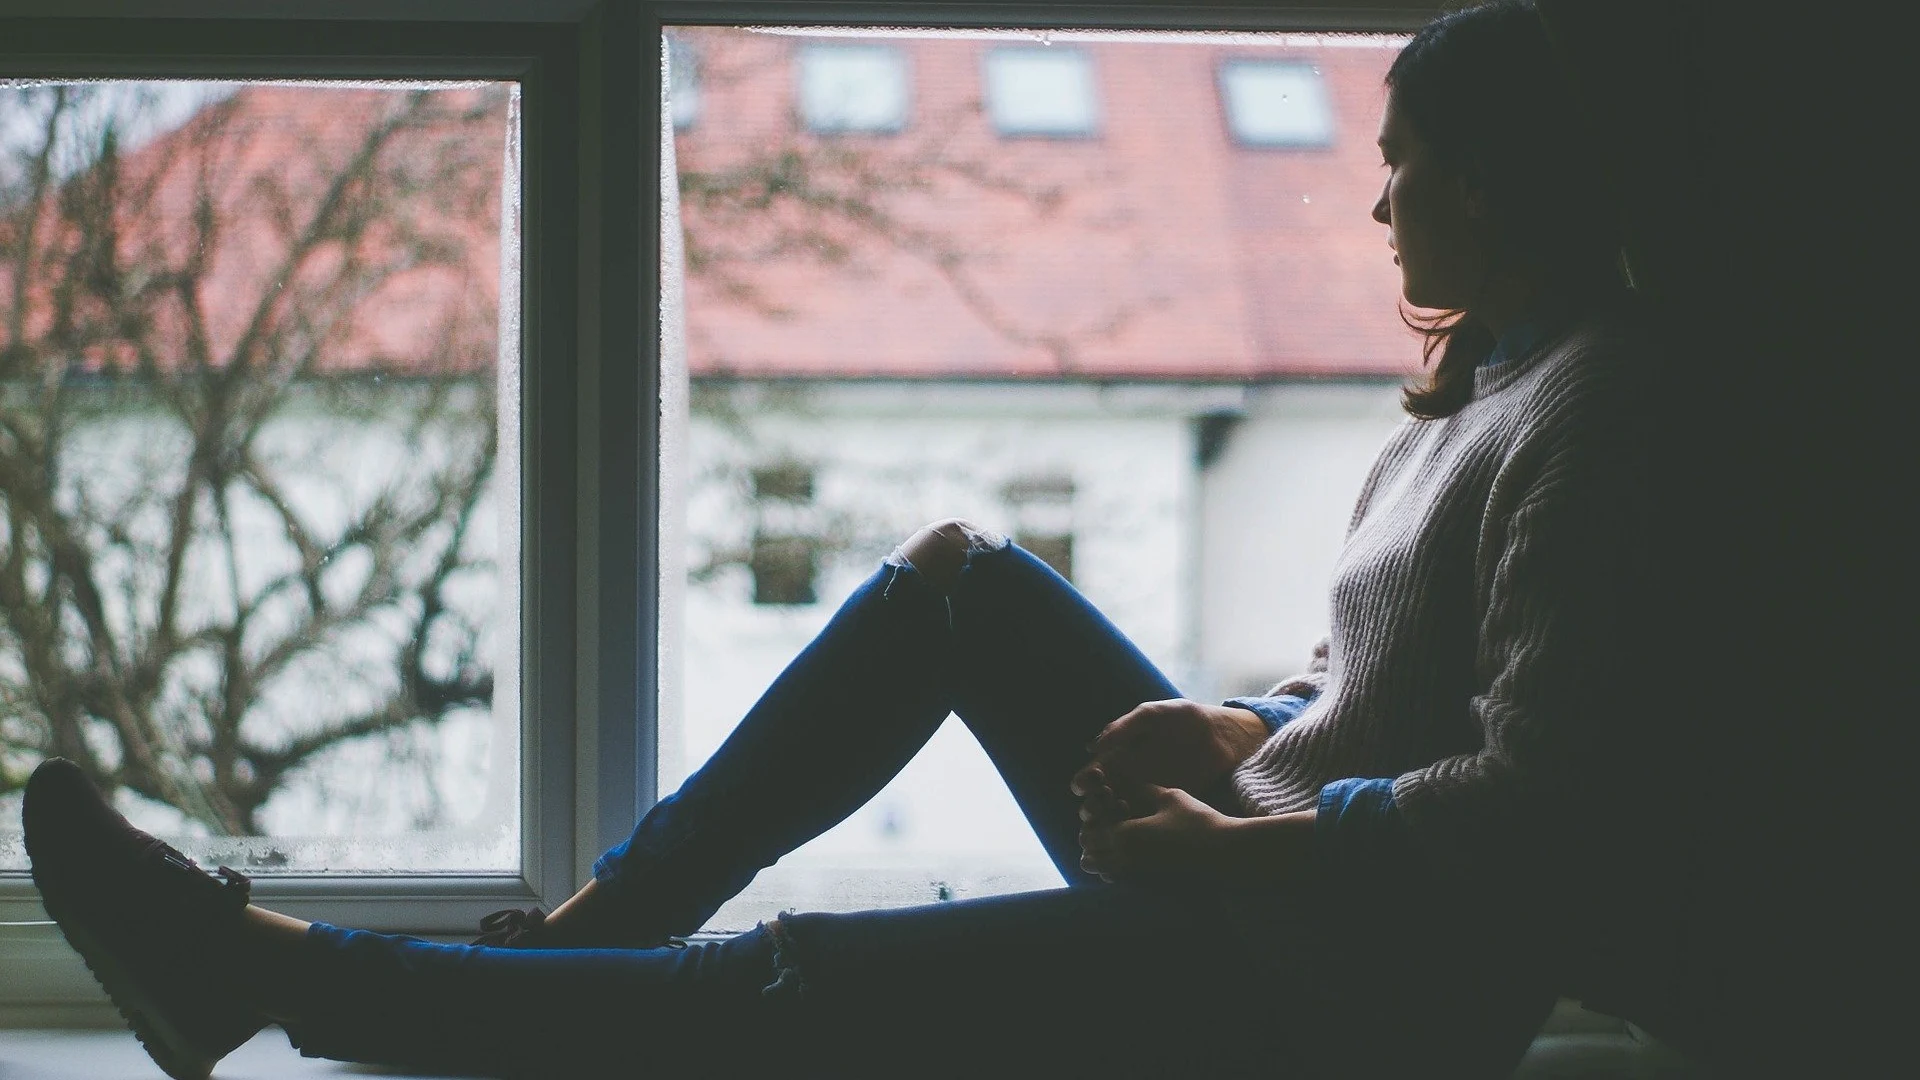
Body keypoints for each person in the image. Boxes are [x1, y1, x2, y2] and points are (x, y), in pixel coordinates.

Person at [21, 2, 1659, 1076]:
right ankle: (595, 933)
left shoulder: (1596, 415)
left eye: (1406, 169)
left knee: (801, 982)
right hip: (1281, 878)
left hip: (1356, 999)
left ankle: (273, 971)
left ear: (1500, 185)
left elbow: (1546, 806)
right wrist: (1239, 725)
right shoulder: (1486, 380)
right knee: (962, 581)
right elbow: (1373, 675)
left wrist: (1236, 842)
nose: (1381, 209)